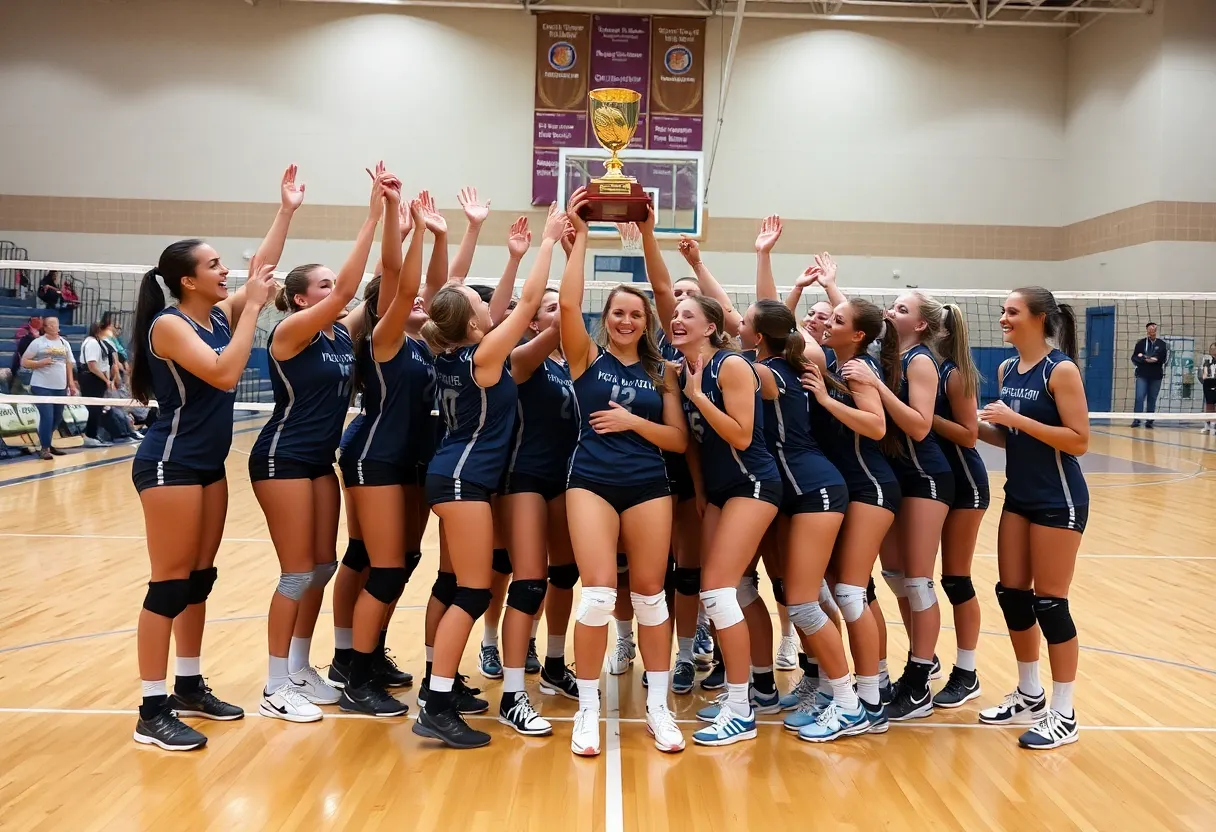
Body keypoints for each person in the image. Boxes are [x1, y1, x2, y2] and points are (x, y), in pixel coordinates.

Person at [415, 202, 565, 749]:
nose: (490, 307)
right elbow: (525, 304)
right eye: (482, 307)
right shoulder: (483, 359)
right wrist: (548, 243)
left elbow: (490, 307)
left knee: (468, 587)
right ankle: (436, 702)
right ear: (476, 324)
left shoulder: (454, 351)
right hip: (463, 480)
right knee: (474, 591)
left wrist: (511, 256)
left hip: (456, 476)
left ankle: (440, 691)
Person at [127, 231, 278, 751]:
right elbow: (224, 372)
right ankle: (152, 710)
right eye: (214, 265)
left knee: (198, 580)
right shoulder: (170, 324)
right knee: (169, 586)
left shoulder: (217, 316)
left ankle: (188, 686)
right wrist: (252, 309)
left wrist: (287, 210)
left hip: (207, 466)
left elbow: (261, 271)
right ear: (188, 281)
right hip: (170, 464)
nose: (225, 271)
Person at [250, 166, 388, 723]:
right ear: (300, 297)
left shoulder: (338, 332)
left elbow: (377, 288)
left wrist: (397, 222)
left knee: (323, 566)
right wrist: (370, 217)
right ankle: (273, 684)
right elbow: (354, 290)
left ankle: (300, 666)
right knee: (296, 572)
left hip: (317, 463)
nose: (334, 292)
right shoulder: (290, 332)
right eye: (324, 286)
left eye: (334, 285)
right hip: (281, 457)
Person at [561, 189, 688, 756]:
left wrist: (633, 422)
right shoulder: (586, 357)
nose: (627, 320)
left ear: (646, 322)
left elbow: (677, 440)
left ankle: (658, 708)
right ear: (606, 318)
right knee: (595, 595)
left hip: (648, 485)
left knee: (651, 597)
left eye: (636, 315)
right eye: (618, 313)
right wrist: (581, 237)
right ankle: (587, 709)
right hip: (590, 481)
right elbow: (568, 307)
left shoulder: (662, 371)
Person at [978, 286, 1089, 750]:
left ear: (1040, 318)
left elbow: (1078, 440)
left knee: (1051, 603)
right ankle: (1029, 694)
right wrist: (973, 426)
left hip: (1058, 499)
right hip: (1019, 497)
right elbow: (1011, 438)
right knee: (1013, 595)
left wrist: (1017, 420)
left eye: (1012, 311)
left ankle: (1064, 713)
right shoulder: (1007, 369)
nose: (1004, 318)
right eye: (1003, 311)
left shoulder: (1060, 370)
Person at [747, 300, 861, 742]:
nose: (737, 327)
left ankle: (848, 703)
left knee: (803, 603)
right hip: (794, 494)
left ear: (759, 337)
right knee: (802, 596)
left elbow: (723, 362)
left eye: (744, 323)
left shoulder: (766, 372)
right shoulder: (788, 365)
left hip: (816, 490)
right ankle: (828, 688)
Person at [335, 186, 428, 719]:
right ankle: (354, 674)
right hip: (376, 458)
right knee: (384, 567)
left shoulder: (422, 343)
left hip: (407, 460)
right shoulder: (384, 340)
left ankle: (366, 658)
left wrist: (440, 234)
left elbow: (434, 288)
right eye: (406, 299)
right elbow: (404, 281)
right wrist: (399, 219)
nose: (417, 300)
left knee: (401, 561)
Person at [672, 294, 781, 747]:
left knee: (718, 592)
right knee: (727, 590)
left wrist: (698, 396)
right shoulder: (682, 371)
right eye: (675, 315)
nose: (677, 319)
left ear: (711, 328)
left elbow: (741, 434)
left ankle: (740, 709)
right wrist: (700, 491)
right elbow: (694, 444)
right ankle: (760, 689)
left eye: (688, 315)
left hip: (752, 483)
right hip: (718, 491)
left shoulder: (731, 366)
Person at [804, 298, 896, 734]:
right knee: (848, 591)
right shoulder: (837, 365)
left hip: (871, 487)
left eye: (837, 321)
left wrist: (825, 398)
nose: (827, 323)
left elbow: (876, 426)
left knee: (851, 593)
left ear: (858, 335)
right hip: (848, 489)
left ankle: (870, 702)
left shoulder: (858, 369)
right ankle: (862, 690)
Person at [871, 293, 955, 721]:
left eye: (901, 309)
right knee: (894, 575)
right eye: (892, 306)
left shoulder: (920, 361)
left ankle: (919, 680)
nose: (891, 312)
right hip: (895, 477)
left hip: (925, 477)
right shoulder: (890, 354)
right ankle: (926, 656)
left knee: (919, 582)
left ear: (921, 325)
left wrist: (877, 389)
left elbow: (920, 427)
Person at [929, 304, 989, 709]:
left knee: (956, 579)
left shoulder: (954, 374)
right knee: (915, 577)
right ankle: (925, 659)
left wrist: (923, 416)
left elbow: (969, 435)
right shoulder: (924, 366)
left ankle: (967, 673)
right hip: (935, 481)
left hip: (966, 483)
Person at [21, 314, 77, 459]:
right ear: (45, 327)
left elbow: (69, 364)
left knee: (57, 418)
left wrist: (71, 383)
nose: (54, 326)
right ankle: (44, 448)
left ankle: (47, 442)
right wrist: (39, 363)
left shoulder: (64, 343)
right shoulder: (38, 343)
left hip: (60, 386)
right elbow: (24, 361)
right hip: (41, 385)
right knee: (47, 416)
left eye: (56, 323)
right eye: (50, 324)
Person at [79, 319, 119, 447]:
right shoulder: (92, 343)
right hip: (91, 378)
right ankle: (90, 436)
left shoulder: (99, 343)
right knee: (94, 408)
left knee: (98, 408)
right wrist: (106, 380)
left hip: (97, 378)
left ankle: (93, 434)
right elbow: (92, 366)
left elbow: (104, 364)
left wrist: (108, 379)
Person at [1131, 321, 1168, 428]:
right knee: (1139, 397)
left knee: (1152, 398)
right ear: (1147, 330)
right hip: (1142, 374)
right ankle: (1136, 419)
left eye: (1154, 329)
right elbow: (1135, 357)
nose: (1152, 331)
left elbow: (1162, 359)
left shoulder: (1162, 344)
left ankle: (1149, 420)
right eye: (1150, 329)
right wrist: (1145, 359)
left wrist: (1146, 357)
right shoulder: (1141, 343)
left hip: (1156, 375)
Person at [1201, 342, 1216, 434]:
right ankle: (1207, 425)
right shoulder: (1206, 358)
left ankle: (1214, 425)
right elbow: (1205, 371)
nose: (1213, 351)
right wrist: (1205, 375)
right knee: (1209, 403)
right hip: (1209, 382)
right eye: (1212, 349)